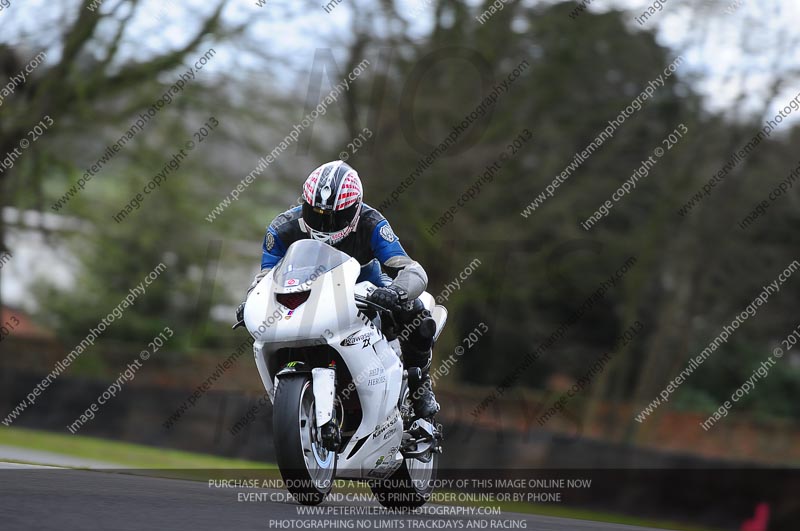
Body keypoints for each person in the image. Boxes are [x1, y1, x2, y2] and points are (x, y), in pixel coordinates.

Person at [236, 160, 439, 418]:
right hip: (310, 299)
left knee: (417, 313)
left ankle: (420, 388)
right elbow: (264, 279)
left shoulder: (372, 222)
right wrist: (252, 302)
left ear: (355, 209)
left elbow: (411, 269)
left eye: (336, 217)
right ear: (306, 205)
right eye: (316, 215)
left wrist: (395, 292)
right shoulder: (282, 228)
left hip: (366, 289)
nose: (324, 226)